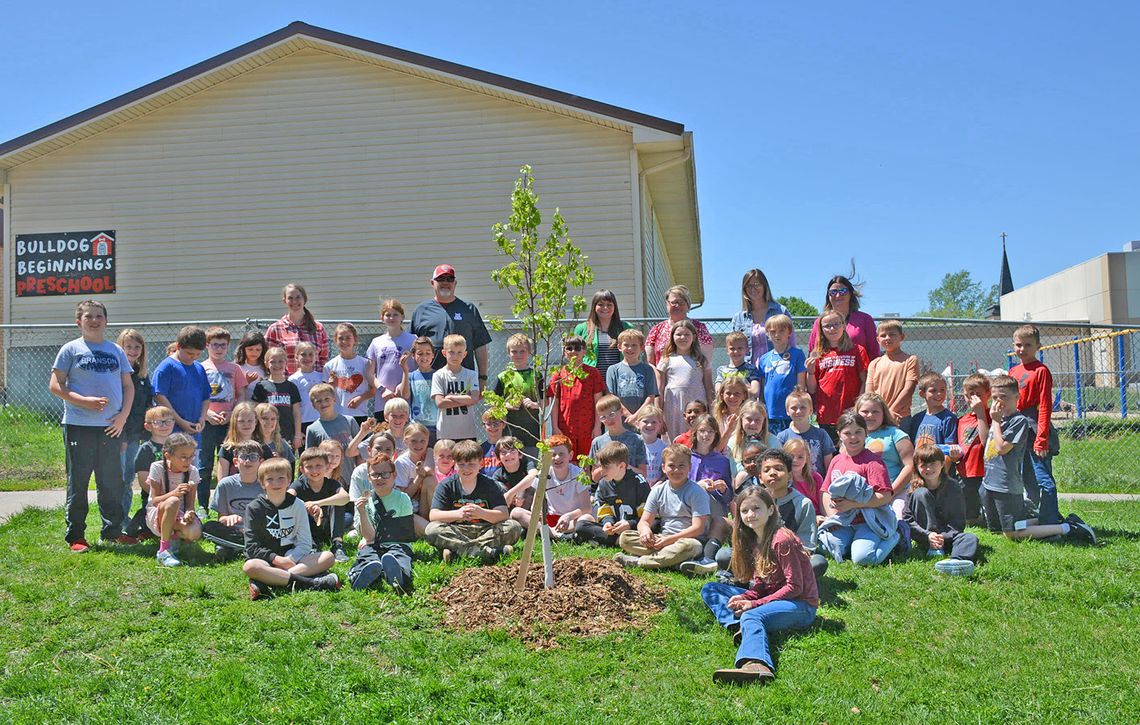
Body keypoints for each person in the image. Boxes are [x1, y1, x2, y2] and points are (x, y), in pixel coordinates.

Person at [700, 485, 818, 684]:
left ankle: (757, 664)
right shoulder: (755, 538)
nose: (750, 515)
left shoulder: (782, 539)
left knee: (753, 614)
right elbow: (762, 583)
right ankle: (739, 625)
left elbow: (795, 587)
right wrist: (745, 597)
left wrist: (753, 605)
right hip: (774, 596)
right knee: (711, 589)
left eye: (756, 508)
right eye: (744, 511)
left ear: (770, 510)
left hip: (800, 605)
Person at [51, 301, 137, 552]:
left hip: (111, 427)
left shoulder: (115, 351)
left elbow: (128, 386)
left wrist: (122, 417)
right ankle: (76, 536)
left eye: (99, 316)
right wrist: (83, 402)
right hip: (79, 425)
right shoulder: (70, 349)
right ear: (79, 322)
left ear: (106, 321)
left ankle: (112, 531)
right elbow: (55, 385)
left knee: (111, 481)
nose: (94, 320)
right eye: (88, 316)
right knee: (78, 481)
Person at [976, 375, 1095, 544]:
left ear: (1017, 397)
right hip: (989, 482)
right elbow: (984, 442)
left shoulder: (1018, 421)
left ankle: (1069, 527)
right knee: (998, 530)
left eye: (1004, 397)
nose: (999, 401)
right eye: (995, 397)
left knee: (1011, 534)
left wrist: (995, 421)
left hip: (1006, 486)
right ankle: (1047, 522)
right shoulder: (999, 419)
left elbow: (1002, 448)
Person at [242, 457, 340, 600]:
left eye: (281, 478)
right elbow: (251, 547)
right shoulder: (254, 508)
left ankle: (270, 580)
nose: (276, 483)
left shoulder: (298, 505)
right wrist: (278, 560)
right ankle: (311, 583)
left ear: (289, 481)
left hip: (295, 558)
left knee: (328, 557)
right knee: (250, 567)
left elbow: (305, 542)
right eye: (270, 479)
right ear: (262, 483)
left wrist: (290, 559)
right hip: (266, 560)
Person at [817, 411, 899, 566]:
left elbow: (885, 496)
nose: (853, 437)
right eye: (847, 433)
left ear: (866, 433)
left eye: (858, 432)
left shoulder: (872, 462)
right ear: (839, 434)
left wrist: (854, 504)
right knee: (826, 547)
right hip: (844, 521)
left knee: (862, 559)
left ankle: (893, 537)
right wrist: (832, 515)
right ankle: (852, 542)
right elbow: (825, 491)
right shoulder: (837, 460)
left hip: (868, 522)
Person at [425, 440, 523, 563]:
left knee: (513, 527)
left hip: (485, 529)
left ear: (480, 464)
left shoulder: (490, 484)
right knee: (431, 530)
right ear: (454, 465)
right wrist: (458, 514)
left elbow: (503, 514)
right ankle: (488, 552)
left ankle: (458, 552)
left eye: (471, 464)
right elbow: (433, 515)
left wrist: (482, 513)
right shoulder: (446, 485)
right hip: (457, 530)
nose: (466, 469)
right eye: (461, 464)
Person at [614, 444, 709, 570]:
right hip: (662, 538)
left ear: (689, 467)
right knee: (625, 538)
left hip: (687, 540)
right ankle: (670, 560)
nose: (676, 470)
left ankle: (639, 561)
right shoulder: (658, 491)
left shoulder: (697, 492)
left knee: (689, 547)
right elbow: (644, 521)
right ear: (663, 468)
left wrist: (669, 540)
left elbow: (698, 528)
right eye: (671, 466)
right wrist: (645, 532)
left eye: (681, 466)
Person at [151, 325, 212, 514]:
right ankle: (167, 510)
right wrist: (180, 421)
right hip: (174, 431)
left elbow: (205, 396)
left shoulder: (198, 368)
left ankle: (191, 508)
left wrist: (202, 417)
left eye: (197, 354)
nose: (192, 358)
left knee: (192, 470)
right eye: (189, 353)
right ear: (178, 346)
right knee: (172, 472)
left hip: (194, 429)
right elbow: (160, 397)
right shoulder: (166, 367)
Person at [1008, 324, 1063, 524]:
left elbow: (1045, 406)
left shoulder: (1041, 371)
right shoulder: (1013, 370)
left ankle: (1050, 522)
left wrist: (1041, 439)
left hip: (1035, 426)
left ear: (1038, 346)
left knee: (1042, 477)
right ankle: (1038, 514)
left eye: (1028, 345)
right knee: (1026, 476)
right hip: (1017, 426)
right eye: (1018, 345)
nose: (1022, 349)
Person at [410, 264, 492, 387]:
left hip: (463, 381)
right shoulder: (421, 310)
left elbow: (480, 346)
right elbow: (412, 347)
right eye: (441, 279)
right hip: (429, 380)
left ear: (455, 283)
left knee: (464, 406)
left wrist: (483, 377)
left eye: (450, 279)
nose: (445, 282)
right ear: (432, 283)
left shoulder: (469, 309)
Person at [350, 452, 415, 593]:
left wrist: (372, 538)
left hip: (398, 544)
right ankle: (360, 575)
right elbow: (369, 537)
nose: (380, 478)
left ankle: (399, 575)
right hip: (373, 544)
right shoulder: (364, 501)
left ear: (394, 475)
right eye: (375, 475)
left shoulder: (403, 499)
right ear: (369, 478)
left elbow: (403, 533)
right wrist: (362, 512)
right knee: (367, 555)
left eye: (385, 474)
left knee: (399, 555)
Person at [904, 445, 979, 565]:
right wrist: (928, 535)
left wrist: (943, 537)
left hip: (947, 536)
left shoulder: (953, 487)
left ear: (942, 464)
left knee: (970, 538)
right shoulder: (913, 489)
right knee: (921, 493)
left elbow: (958, 522)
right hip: (925, 537)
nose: (928, 469)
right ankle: (932, 547)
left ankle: (957, 562)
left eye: (933, 463)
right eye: (923, 465)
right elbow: (908, 519)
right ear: (917, 468)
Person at [505, 435, 591, 537]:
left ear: (570, 455)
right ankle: (555, 534)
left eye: (561, 454)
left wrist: (569, 516)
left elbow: (586, 508)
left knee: (587, 519)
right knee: (516, 513)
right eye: (553, 454)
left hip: (571, 519)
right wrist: (539, 513)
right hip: (551, 519)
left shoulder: (578, 474)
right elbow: (535, 505)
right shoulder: (544, 473)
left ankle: (549, 534)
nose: (557, 458)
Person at [200, 326, 247, 506]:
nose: (219, 349)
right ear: (207, 346)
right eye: (215, 345)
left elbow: (241, 394)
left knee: (229, 463)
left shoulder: (233, 368)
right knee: (204, 465)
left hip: (228, 424)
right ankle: (203, 505)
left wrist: (232, 414)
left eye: (223, 345)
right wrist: (207, 413)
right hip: (207, 422)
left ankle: (228, 503)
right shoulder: (200, 368)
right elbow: (196, 397)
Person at [806, 309, 869, 443]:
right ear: (821, 329)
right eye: (827, 326)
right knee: (830, 455)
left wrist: (858, 406)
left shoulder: (857, 350)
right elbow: (812, 389)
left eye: (836, 324)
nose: (832, 328)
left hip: (850, 413)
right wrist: (810, 372)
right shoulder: (817, 353)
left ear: (844, 325)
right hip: (827, 414)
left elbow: (865, 381)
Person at [575, 442, 650, 547]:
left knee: (651, 527)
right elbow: (605, 511)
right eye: (600, 466)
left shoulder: (639, 483)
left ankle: (610, 541)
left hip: (634, 529)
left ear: (622, 466)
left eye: (606, 467)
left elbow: (649, 518)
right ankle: (618, 541)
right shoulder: (603, 484)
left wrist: (630, 524)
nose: (601, 471)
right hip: (614, 530)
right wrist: (607, 523)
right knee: (581, 525)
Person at [144, 433, 203, 566]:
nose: (188, 461)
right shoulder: (157, 468)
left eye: (191, 456)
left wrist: (189, 513)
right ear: (168, 456)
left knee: (193, 532)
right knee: (173, 501)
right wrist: (174, 493)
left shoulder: (192, 472)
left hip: (179, 514)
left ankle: (175, 538)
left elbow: (190, 505)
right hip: (157, 513)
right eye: (183, 457)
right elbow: (155, 500)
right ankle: (163, 550)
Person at [684, 414, 734, 572]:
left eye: (710, 432)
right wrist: (698, 486)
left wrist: (723, 489)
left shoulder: (722, 461)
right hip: (688, 504)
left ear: (716, 435)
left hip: (714, 507)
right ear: (695, 433)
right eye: (702, 431)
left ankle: (708, 555)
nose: (706, 435)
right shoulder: (686, 456)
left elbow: (729, 497)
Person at [201, 439, 266, 560]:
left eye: (253, 457)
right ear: (236, 462)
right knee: (208, 527)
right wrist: (228, 518)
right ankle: (246, 547)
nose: (247, 461)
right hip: (234, 531)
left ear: (261, 462)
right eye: (244, 457)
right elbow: (221, 518)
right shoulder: (226, 484)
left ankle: (233, 548)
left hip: (257, 531)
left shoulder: (266, 485)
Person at [856, 393, 915, 518]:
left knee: (897, 520)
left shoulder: (896, 434)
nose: (870, 415)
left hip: (895, 493)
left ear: (884, 413)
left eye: (875, 411)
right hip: (862, 494)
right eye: (865, 411)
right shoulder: (852, 437)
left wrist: (891, 492)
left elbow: (910, 466)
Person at [656, 320, 715, 445]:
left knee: (698, 436)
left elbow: (709, 386)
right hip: (673, 405)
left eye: (687, 334)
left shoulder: (701, 359)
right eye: (679, 334)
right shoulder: (666, 359)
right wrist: (658, 414)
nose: (683, 337)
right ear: (672, 337)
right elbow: (659, 389)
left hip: (697, 403)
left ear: (694, 337)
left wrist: (712, 408)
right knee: (675, 440)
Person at [116, 328, 153, 534]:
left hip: (137, 436)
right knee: (120, 477)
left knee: (129, 477)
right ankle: (116, 519)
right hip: (121, 434)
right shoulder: (117, 374)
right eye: (128, 346)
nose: (132, 350)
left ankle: (124, 516)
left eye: (137, 347)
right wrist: (121, 435)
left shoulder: (141, 374)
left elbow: (147, 401)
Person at [547, 335, 605, 458]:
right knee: (567, 460)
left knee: (589, 462)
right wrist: (555, 427)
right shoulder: (558, 374)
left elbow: (598, 403)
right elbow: (554, 404)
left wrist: (597, 427)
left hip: (588, 428)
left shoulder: (593, 373)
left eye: (577, 348)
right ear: (564, 351)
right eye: (569, 348)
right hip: (565, 428)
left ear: (584, 350)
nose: (573, 351)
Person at [291, 448, 351, 562]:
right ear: (302, 470)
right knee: (296, 506)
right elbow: (288, 498)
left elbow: (346, 497)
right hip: (307, 529)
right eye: (309, 467)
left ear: (327, 466)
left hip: (328, 526)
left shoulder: (332, 483)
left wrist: (316, 503)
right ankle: (311, 546)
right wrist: (306, 507)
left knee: (338, 501)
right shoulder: (299, 484)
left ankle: (337, 545)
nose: (314, 470)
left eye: (318, 465)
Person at [125, 405, 177, 538]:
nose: (164, 425)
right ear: (148, 426)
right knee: (151, 529)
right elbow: (143, 480)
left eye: (168, 421)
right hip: (153, 497)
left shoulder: (178, 447)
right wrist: (161, 495)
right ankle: (142, 523)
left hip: (176, 495)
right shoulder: (146, 449)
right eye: (158, 422)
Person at [730, 268, 795, 367]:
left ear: (765, 286)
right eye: (748, 286)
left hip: (776, 367)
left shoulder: (780, 311)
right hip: (749, 371)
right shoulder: (739, 318)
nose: (753, 289)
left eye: (756, 284)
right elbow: (733, 347)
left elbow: (791, 342)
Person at [806, 273, 880, 359]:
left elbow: (874, 353)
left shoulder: (865, 320)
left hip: (859, 371)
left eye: (843, 291)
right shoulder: (819, 322)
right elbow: (813, 352)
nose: (837, 296)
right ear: (828, 296)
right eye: (833, 292)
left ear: (850, 294)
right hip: (827, 371)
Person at [493, 333, 543, 452]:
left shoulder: (536, 375)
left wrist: (534, 404)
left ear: (529, 352)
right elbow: (494, 404)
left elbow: (545, 402)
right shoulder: (503, 376)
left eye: (522, 351)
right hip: (509, 432)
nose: (518, 355)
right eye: (514, 352)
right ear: (508, 353)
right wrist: (508, 405)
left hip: (532, 432)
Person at [367, 299, 416, 421]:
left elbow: (419, 366)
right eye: (388, 315)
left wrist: (404, 384)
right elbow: (369, 373)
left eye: (395, 314)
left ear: (402, 317)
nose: (391, 318)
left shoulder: (413, 340)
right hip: (384, 401)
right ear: (382, 318)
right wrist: (382, 389)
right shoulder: (376, 342)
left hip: (407, 399)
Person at [264, 283, 329, 374]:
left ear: (304, 299)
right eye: (290, 298)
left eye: (298, 297)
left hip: (314, 385)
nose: (294, 301)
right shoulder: (275, 329)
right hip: (286, 384)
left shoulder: (318, 328)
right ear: (284, 301)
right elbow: (267, 358)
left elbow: (324, 360)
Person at [758, 314, 806, 435]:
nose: (777, 335)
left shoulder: (797, 354)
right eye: (773, 331)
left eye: (781, 331)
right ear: (768, 334)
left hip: (790, 412)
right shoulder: (764, 359)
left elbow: (801, 385)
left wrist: (798, 405)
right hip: (770, 412)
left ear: (789, 332)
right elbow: (763, 386)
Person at [645, 285, 715, 366]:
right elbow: (650, 363)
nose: (677, 306)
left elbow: (706, 362)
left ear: (688, 305)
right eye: (673, 302)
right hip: (661, 377)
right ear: (667, 304)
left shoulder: (699, 328)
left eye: (681, 302)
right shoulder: (656, 330)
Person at [250, 347, 303, 452]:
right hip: (266, 435)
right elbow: (255, 411)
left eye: (280, 361)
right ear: (266, 364)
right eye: (273, 362)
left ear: (286, 363)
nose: (277, 365)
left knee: (287, 465)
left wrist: (297, 435)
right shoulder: (261, 386)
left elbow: (296, 413)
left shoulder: (291, 387)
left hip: (287, 434)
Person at [573, 289, 633, 382]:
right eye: (600, 304)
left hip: (619, 380)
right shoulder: (582, 328)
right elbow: (574, 355)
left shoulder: (626, 327)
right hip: (591, 381)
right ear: (594, 307)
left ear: (615, 307)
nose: (605, 308)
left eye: (609, 304)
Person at [955, 373, 990, 525]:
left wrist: (981, 412)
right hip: (966, 470)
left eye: (978, 394)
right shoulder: (962, 420)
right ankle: (973, 518)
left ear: (988, 394)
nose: (974, 398)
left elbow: (986, 442)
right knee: (970, 512)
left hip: (984, 470)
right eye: (970, 395)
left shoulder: (992, 416)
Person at [432, 334, 482, 443]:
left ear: (465, 354)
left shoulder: (471, 375)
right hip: (445, 432)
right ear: (444, 353)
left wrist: (451, 397)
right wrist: (465, 400)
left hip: (467, 432)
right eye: (451, 352)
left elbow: (474, 398)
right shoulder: (438, 375)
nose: (455, 356)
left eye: (459, 352)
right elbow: (440, 403)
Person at [865, 320, 918, 421]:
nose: (887, 338)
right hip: (877, 416)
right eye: (883, 335)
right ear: (877, 339)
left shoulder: (910, 360)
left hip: (900, 416)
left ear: (901, 337)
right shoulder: (874, 363)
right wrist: (879, 412)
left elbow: (908, 390)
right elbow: (869, 392)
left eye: (892, 334)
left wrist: (891, 411)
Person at [776, 391, 835, 479]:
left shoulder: (821, 434)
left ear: (811, 410)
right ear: (787, 411)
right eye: (794, 408)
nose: (798, 411)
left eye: (803, 407)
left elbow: (829, 465)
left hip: (817, 483)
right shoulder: (782, 437)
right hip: (792, 485)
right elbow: (779, 463)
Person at [605, 328, 658, 425]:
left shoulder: (648, 370)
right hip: (619, 421)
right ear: (619, 347)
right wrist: (628, 415)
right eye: (626, 345)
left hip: (642, 421)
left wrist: (636, 416)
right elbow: (612, 397)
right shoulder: (613, 370)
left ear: (642, 348)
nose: (630, 348)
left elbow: (650, 397)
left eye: (634, 345)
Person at [589, 395, 648, 481]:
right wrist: (607, 467)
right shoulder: (597, 442)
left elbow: (643, 474)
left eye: (611, 414)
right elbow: (594, 478)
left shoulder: (636, 440)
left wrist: (622, 466)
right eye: (603, 417)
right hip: (607, 491)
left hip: (631, 489)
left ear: (621, 411)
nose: (608, 419)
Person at [304, 383, 362, 469]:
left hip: (350, 476)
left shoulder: (349, 421)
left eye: (327, 399)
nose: (323, 403)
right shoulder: (312, 429)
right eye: (318, 401)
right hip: (327, 478)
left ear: (334, 400)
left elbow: (359, 450)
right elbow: (311, 458)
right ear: (313, 405)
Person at [326, 322, 374, 423]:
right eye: (340, 338)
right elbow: (326, 394)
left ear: (355, 340)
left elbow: (373, 390)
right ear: (335, 341)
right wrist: (331, 386)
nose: (344, 341)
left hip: (360, 414)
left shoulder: (365, 363)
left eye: (348, 338)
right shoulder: (330, 366)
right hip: (338, 415)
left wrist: (361, 398)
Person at [394, 422, 435, 536]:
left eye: (423, 441)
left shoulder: (430, 452)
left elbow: (430, 470)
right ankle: (433, 530)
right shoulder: (401, 463)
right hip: (408, 509)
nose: (419, 445)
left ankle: (436, 521)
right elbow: (404, 497)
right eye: (414, 441)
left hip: (425, 505)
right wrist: (418, 478)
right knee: (430, 532)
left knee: (430, 480)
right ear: (405, 441)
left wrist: (425, 471)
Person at [901, 373, 959, 451]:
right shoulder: (916, 418)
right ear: (922, 393)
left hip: (938, 462)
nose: (939, 394)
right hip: (919, 461)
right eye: (933, 391)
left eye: (942, 390)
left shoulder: (949, 418)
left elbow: (949, 449)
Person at [216, 402, 268, 481]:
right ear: (235, 422)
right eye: (241, 421)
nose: (246, 424)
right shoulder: (227, 449)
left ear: (256, 422)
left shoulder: (263, 447)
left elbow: (270, 475)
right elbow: (222, 481)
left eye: (250, 421)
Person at [401, 336, 439, 441]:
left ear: (433, 355)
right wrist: (405, 371)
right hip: (417, 426)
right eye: (420, 353)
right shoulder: (411, 376)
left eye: (428, 353)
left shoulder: (439, 375)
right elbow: (405, 395)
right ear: (413, 355)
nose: (424, 357)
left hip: (437, 426)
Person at [725, 400, 779, 466]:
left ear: (763, 421)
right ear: (741, 419)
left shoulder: (773, 442)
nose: (753, 423)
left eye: (757, 420)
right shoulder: (733, 442)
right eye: (749, 419)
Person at [289, 342, 326, 435]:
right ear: (296, 357)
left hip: (321, 420)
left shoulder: (321, 377)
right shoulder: (293, 379)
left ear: (316, 357)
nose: (307, 358)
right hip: (303, 421)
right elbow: (292, 406)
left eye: (310, 354)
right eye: (303, 355)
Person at [783, 437, 824, 520]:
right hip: (796, 520)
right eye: (791, 456)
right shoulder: (783, 480)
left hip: (819, 518)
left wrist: (826, 519)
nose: (795, 460)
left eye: (800, 457)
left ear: (807, 458)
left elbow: (823, 504)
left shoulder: (816, 478)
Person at [714, 331, 763, 399]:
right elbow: (718, 391)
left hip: (746, 407)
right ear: (727, 350)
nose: (736, 351)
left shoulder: (751, 369)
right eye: (732, 348)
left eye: (740, 348)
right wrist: (744, 390)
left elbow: (755, 392)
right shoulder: (722, 370)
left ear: (747, 349)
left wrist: (728, 391)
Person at [255, 401, 296, 473]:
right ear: (256, 420)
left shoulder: (282, 444)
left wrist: (279, 462)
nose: (269, 422)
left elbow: (290, 471)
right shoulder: (251, 442)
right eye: (265, 418)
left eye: (273, 419)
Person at [632, 404, 668, 485]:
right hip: (636, 489)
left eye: (654, 422)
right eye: (645, 421)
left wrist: (657, 486)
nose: (649, 425)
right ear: (637, 424)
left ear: (660, 424)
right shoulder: (632, 445)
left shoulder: (664, 447)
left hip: (657, 488)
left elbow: (665, 474)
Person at [713, 377, 749, 453]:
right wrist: (729, 430)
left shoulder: (749, 417)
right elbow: (716, 451)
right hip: (723, 459)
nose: (732, 397)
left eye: (737, 393)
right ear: (722, 395)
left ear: (744, 395)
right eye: (728, 393)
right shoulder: (717, 418)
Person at [234, 330, 267, 395]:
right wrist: (246, 382)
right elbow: (232, 392)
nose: (254, 353)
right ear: (243, 349)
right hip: (242, 404)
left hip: (262, 404)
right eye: (250, 349)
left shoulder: (266, 366)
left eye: (258, 350)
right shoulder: (236, 367)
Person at [479, 411, 506, 478]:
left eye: (496, 423)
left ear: (504, 424)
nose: (492, 427)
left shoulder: (509, 446)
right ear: (484, 426)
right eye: (489, 424)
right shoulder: (480, 449)